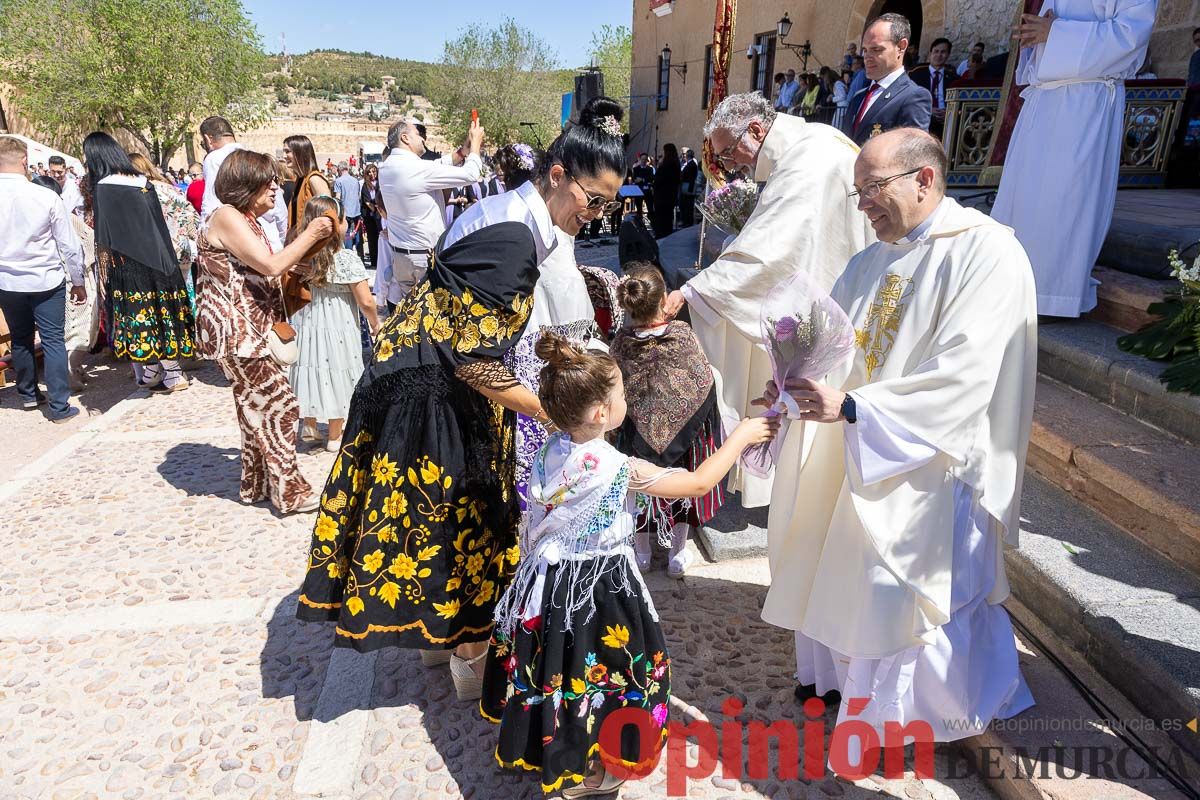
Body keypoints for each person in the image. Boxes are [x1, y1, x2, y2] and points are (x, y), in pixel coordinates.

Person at [294, 98, 628, 700]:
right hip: (435, 397)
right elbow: (476, 363)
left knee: (437, 523)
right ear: (557, 176)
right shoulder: (515, 237)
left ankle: (437, 645)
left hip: (421, 380)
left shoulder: (504, 216)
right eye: (593, 198)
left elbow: (473, 319)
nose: (598, 214)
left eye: (610, 204)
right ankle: (469, 665)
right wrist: (557, 414)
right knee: (463, 522)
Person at [760, 127, 1037, 749]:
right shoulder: (869, 259)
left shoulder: (988, 254)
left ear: (925, 178)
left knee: (901, 588)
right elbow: (828, 343)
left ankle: (925, 714)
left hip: (934, 458)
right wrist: (788, 390)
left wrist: (857, 406)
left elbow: (966, 377)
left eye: (873, 189)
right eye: (857, 193)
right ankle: (845, 685)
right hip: (857, 441)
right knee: (843, 568)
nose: (863, 206)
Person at [481, 332, 778, 798]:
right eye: (620, 393)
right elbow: (697, 484)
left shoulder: (550, 450)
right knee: (613, 675)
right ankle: (595, 775)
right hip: (601, 594)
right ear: (602, 411)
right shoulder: (617, 466)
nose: (625, 400)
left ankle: (567, 759)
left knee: (565, 675)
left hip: (551, 590)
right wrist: (741, 435)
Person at [664, 92, 874, 507]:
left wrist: (694, 290)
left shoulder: (805, 161)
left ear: (756, 130)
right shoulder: (813, 142)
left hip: (827, 307)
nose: (728, 165)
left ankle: (806, 490)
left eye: (728, 152)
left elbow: (769, 252)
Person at [992, 0, 1155, 318]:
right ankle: (1009, 286)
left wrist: (1056, 33)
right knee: (1024, 198)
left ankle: (1050, 294)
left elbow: (1130, 37)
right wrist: (1036, 37)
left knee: (1064, 198)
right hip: (1044, 97)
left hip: (1084, 101)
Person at [196, 149, 333, 514]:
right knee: (282, 406)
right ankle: (291, 492)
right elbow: (270, 264)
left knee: (252, 406)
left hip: (247, 329)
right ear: (246, 184)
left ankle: (254, 484)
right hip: (237, 331)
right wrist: (313, 233)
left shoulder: (245, 219)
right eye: (267, 180)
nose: (276, 186)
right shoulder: (226, 215)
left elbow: (263, 269)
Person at [496, 143, 603, 508]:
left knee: (557, 362)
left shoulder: (556, 212)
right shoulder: (525, 219)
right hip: (548, 292)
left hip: (559, 292)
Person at [612, 261, 725, 578]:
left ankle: (643, 550)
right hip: (685, 436)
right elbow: (703, 382)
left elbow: (615, 383)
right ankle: (677, 552)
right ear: (664, 299)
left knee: (642, 486)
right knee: (682, 485)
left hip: (637, 432)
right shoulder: (682, 334)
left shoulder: (622, 341)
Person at [85, 132, 195, 392]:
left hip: (129, 264)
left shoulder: (104, 187)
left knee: (142, 317)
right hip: (161, 260)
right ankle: (161, 370)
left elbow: (104, 237)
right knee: (163, 314)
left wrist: (103, 273)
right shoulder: (142, 181)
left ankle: (170, 374)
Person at [0, 135, 86, 423]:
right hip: (45, 277)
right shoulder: (45, 195)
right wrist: (78, 280)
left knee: (20, 337)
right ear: (24, 161)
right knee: (52, 339)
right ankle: (59, 406)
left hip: (7, 280)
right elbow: (69, 244)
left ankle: (28, 394)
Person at [288, 196, 379, 453]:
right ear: (336, 224)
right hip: (338, 324)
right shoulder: (347, 259)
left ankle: (310, 424)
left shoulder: (301, 256)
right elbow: (366, 301)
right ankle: (335, 434)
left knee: (309, 366)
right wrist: (375, 323)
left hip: (306, 320)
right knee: (338, 368)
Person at [377, 116, 484, 308]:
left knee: (410, 316)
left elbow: (435, 166)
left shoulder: (386, 167)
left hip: (401, 257)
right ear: (405, 138)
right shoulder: (416, 169)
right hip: (424, 260)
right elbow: (471, 174)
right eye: (418, 133)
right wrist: (475, 145)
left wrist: (461, 152)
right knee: (433, 317)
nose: (422, 138)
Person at [128, 152, 201, 323]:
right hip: (181, 251)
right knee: (183, 296)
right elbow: (193, 217)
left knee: (160, 304)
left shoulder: (138, 192)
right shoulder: (168, 187)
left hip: (154, 256)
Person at [198, 116, 288, 249]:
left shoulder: (215, 158)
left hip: (242, 243)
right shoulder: (255, 158)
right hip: (270, 240)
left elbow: (211, 204)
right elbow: (279, 209)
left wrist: (204, 239)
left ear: (208, 139)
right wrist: (281, 240)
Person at [844, 14, 932, 146]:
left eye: (876, 49)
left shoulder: (914, 97)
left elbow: (910, 156)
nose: (866, 57)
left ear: (901, 47)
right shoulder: (859, 97)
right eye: (865, 50)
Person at [283, 135, 333, 232]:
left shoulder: (314, 179)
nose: (284, 156)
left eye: (287, 151)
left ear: (299, 153)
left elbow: (329, 213)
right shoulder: (300, 180)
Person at [910, 37, 954, 139]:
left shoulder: (953, 78)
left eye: (943, 52)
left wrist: (949, 112)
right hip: (923, 119)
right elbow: (911, 99)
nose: (939, 55)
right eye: (936, 51)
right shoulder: (916, 75)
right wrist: (929, 109)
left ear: (948, 55)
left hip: (946, 122)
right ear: (930, 53)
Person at [333, 161, 364, 260]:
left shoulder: (338, 181)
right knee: (358, 235)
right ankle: (361, 258)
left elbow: (337, 198)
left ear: (339, 169)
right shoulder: (355, 181)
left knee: (347, 236)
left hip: (345, 213)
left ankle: (349, 259)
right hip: (356, 211)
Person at [650, 142, 680, 238]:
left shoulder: (666, 165)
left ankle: (660, 234)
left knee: (661, 217)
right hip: (671, 195)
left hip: (662, 196)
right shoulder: (676, 164)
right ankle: (667, 234)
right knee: (668, 217)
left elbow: (659, 180)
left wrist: (654, 185)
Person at [359, 163, 382, 268]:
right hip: (370, 215)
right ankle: (374, 261)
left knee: (381, 238)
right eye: (369, 172)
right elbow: (367, 202)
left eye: (374, 171)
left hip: (380, 214)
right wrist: (377, 209)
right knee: (372, 239)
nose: (372, 174)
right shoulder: (365, 186)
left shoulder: (380, 184)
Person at [678, 147, 699, 229]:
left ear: (687, 156)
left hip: (688, 188)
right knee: (686, 206)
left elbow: (690, 178)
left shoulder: (691, 164)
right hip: (688, 187)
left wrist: (690, 189)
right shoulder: (690, 164)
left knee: (687, 206)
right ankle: (686, 221)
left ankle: (687, 222)